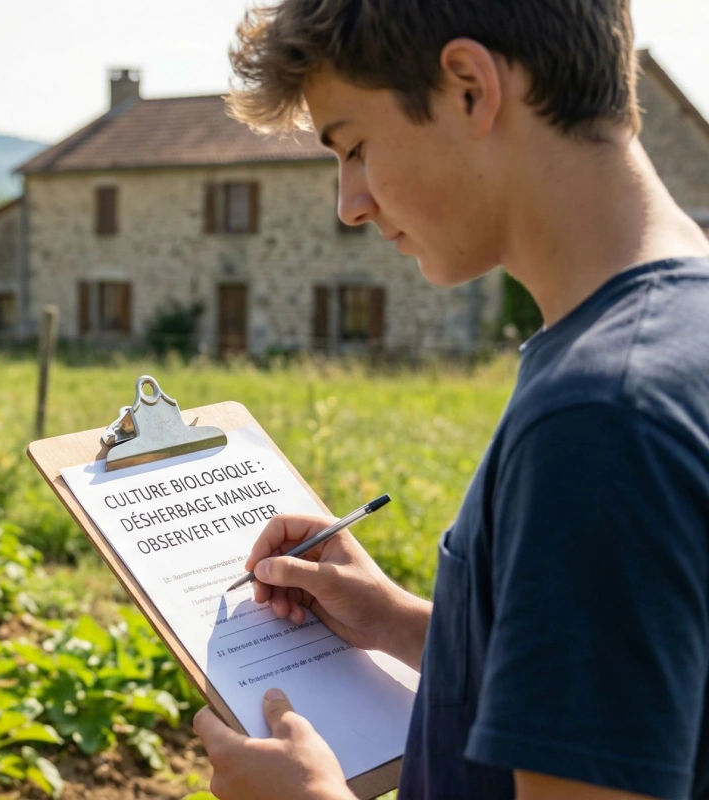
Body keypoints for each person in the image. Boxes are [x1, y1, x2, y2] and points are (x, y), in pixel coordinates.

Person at [190, 1, 709, 798]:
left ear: (468, 88)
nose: (349, 204)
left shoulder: (599, 419)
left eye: (355, 147)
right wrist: (404, 623)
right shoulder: (676, 336)